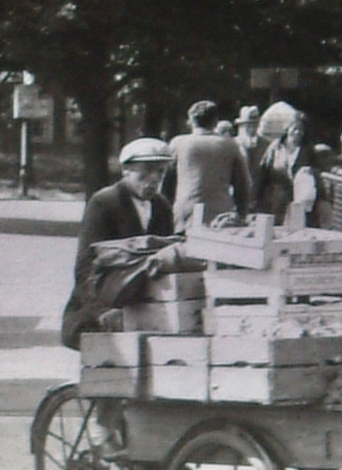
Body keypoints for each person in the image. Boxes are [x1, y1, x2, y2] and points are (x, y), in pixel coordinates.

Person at [61, 137, 178, 348]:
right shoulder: (105, 202)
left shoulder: (161, 206)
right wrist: (99, 311)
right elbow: (87, 264)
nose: (153, 179)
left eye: (160, 172)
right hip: (106, 304)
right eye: (146, 171)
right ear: (126, 170)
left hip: (147, 307)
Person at [167, 99, 256, 230]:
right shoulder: (230, 145)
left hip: (186, 213)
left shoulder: (178, 144)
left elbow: (167, 181)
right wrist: (241, 215)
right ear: (215, 122)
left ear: (191, 121)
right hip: (220, 215)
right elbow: (242, 185)